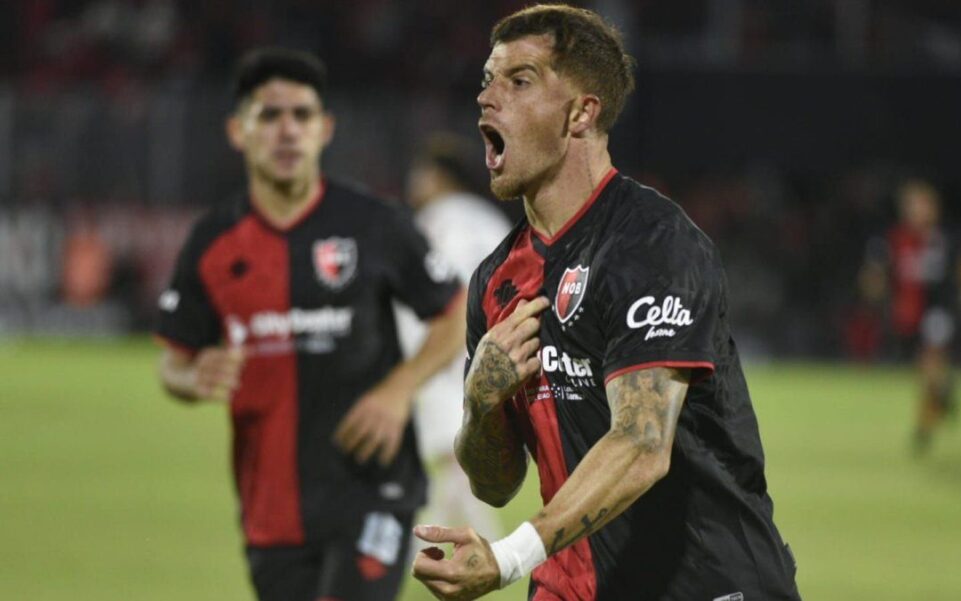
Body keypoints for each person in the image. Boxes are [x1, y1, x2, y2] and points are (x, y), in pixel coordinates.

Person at [410, 6, 801, 601]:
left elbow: (642, 443)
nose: (488, 98)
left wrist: (509, 556)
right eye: (488, 80)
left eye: (520, 81)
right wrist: (482, 403)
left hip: (705, 584)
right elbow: (495, 483)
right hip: (572, 588)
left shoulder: (652, 244)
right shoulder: (497, 281)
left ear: (582, 112)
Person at [154, 48, 465, 601]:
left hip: (376, 489)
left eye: (301, 115)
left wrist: (398, 391)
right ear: (237, 131)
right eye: (269, 116)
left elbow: (455, 313)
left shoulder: (375, 224)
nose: (287, 130)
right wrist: (192, 374)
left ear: (325, 129)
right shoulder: (213, 243)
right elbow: (172, 364)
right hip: (271, 509)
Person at [394, 133, 513, 539]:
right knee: (462, 463)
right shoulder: (491, 220)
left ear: (438, 176)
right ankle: (437, 545)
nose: (415, 182)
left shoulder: (440, 221)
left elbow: (447, 291)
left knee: (457, 459)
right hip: (500, 351)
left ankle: (489, 554)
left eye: (420, 173)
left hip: (447, 353)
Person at [862, 178, 961, 454]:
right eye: (911, 206)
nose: (917, 212)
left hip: (939, 311)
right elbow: (875, 273)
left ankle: (924, 426)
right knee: (926, 372)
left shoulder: (946, 239)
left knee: (929, 361)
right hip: (908, 316)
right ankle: (944, 393)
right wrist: (874, 286)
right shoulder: (893, 240)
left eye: (922, 205)